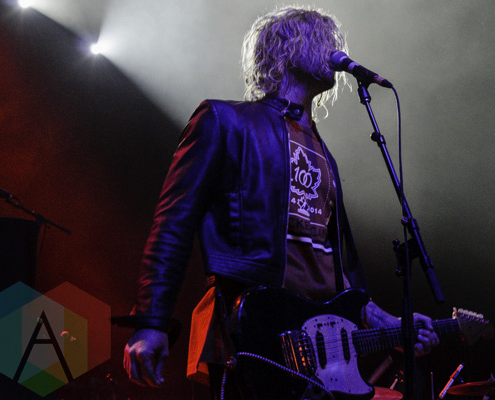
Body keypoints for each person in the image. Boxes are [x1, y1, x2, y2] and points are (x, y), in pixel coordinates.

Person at [121, 5, 439, 399]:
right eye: (322, 38)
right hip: (254, 330)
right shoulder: (224, 120)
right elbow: (173, 222)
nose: (335, 49)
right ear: (287, 48)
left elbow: (328, 260)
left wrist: (384, 320)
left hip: (319, 346)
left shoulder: (323, 151)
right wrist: (151, 321)